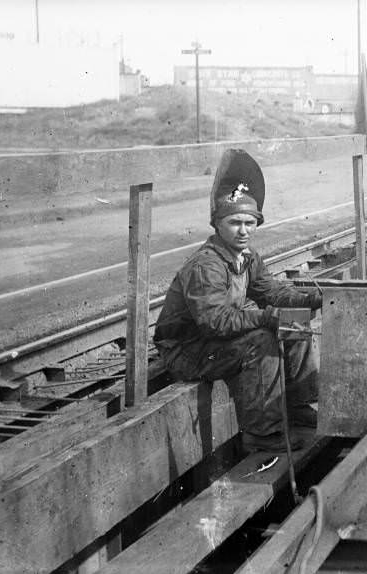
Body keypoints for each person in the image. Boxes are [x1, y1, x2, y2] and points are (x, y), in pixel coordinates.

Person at [153, 150, 323, 454]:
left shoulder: (247, 257)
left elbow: (272, 292)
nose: (244, 231)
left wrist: (313, 298)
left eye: (250, 222)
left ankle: (298, 408)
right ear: (217, 224)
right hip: (187, 349)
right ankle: (261, 433)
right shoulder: (206, 266)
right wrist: (263, 318)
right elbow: (214, 321)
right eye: (235, 223)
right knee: (261, 341)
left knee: (298, 325)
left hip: (212, 343)